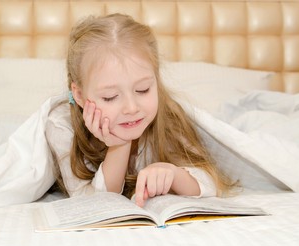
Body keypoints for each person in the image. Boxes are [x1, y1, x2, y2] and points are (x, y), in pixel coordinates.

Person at [45, 13, 235, 207]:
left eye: (143, 90)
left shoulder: (167, 116)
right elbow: (91, 205)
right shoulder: (61, 125)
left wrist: (173, 174)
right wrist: (119, 145)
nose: (131, 108)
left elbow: (212, 182)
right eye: (110, 97)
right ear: (78, 95)